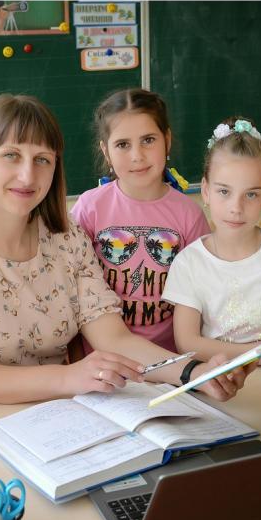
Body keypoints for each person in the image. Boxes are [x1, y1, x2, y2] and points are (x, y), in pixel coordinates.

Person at [0, 94, 249, 404]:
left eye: (42, 160)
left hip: (66, 411)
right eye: (11, 155)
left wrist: (192, 372)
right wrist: (70, 376)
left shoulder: (67, 237)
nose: (27, 175)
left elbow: (113, 337)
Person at [163, 117, 261, 365]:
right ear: (205, 191)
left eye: (251, 194)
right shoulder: (188, 263)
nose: (236, 208)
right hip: (220, 384)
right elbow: (188, 344)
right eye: (224, 191)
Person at [70, 88, 210, 352]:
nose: (137, 155)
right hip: (104, 363)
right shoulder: (89, 208)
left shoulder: (189, 215)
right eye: (123, 145)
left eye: (148, 140)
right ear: (105, 150)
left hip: (172, 361)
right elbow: (71, 291)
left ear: (167, 140)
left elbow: (203, 295)